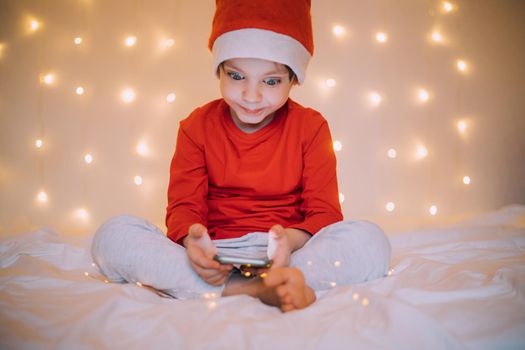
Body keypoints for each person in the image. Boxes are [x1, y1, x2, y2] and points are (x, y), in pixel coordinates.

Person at [91, 0, 391, 313]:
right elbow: (184, 208)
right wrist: (194, 245)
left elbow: (325, 216)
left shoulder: (311, 127)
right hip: (216, 253)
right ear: (219, 70)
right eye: (236, 76)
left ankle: (266, 281)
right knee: (113, 235)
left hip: (288, 251)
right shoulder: (196, 126)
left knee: (370, 241)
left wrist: (288, 242)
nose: (251, 95)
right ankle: (260, 288)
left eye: (271, 81)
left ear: (294, 80)